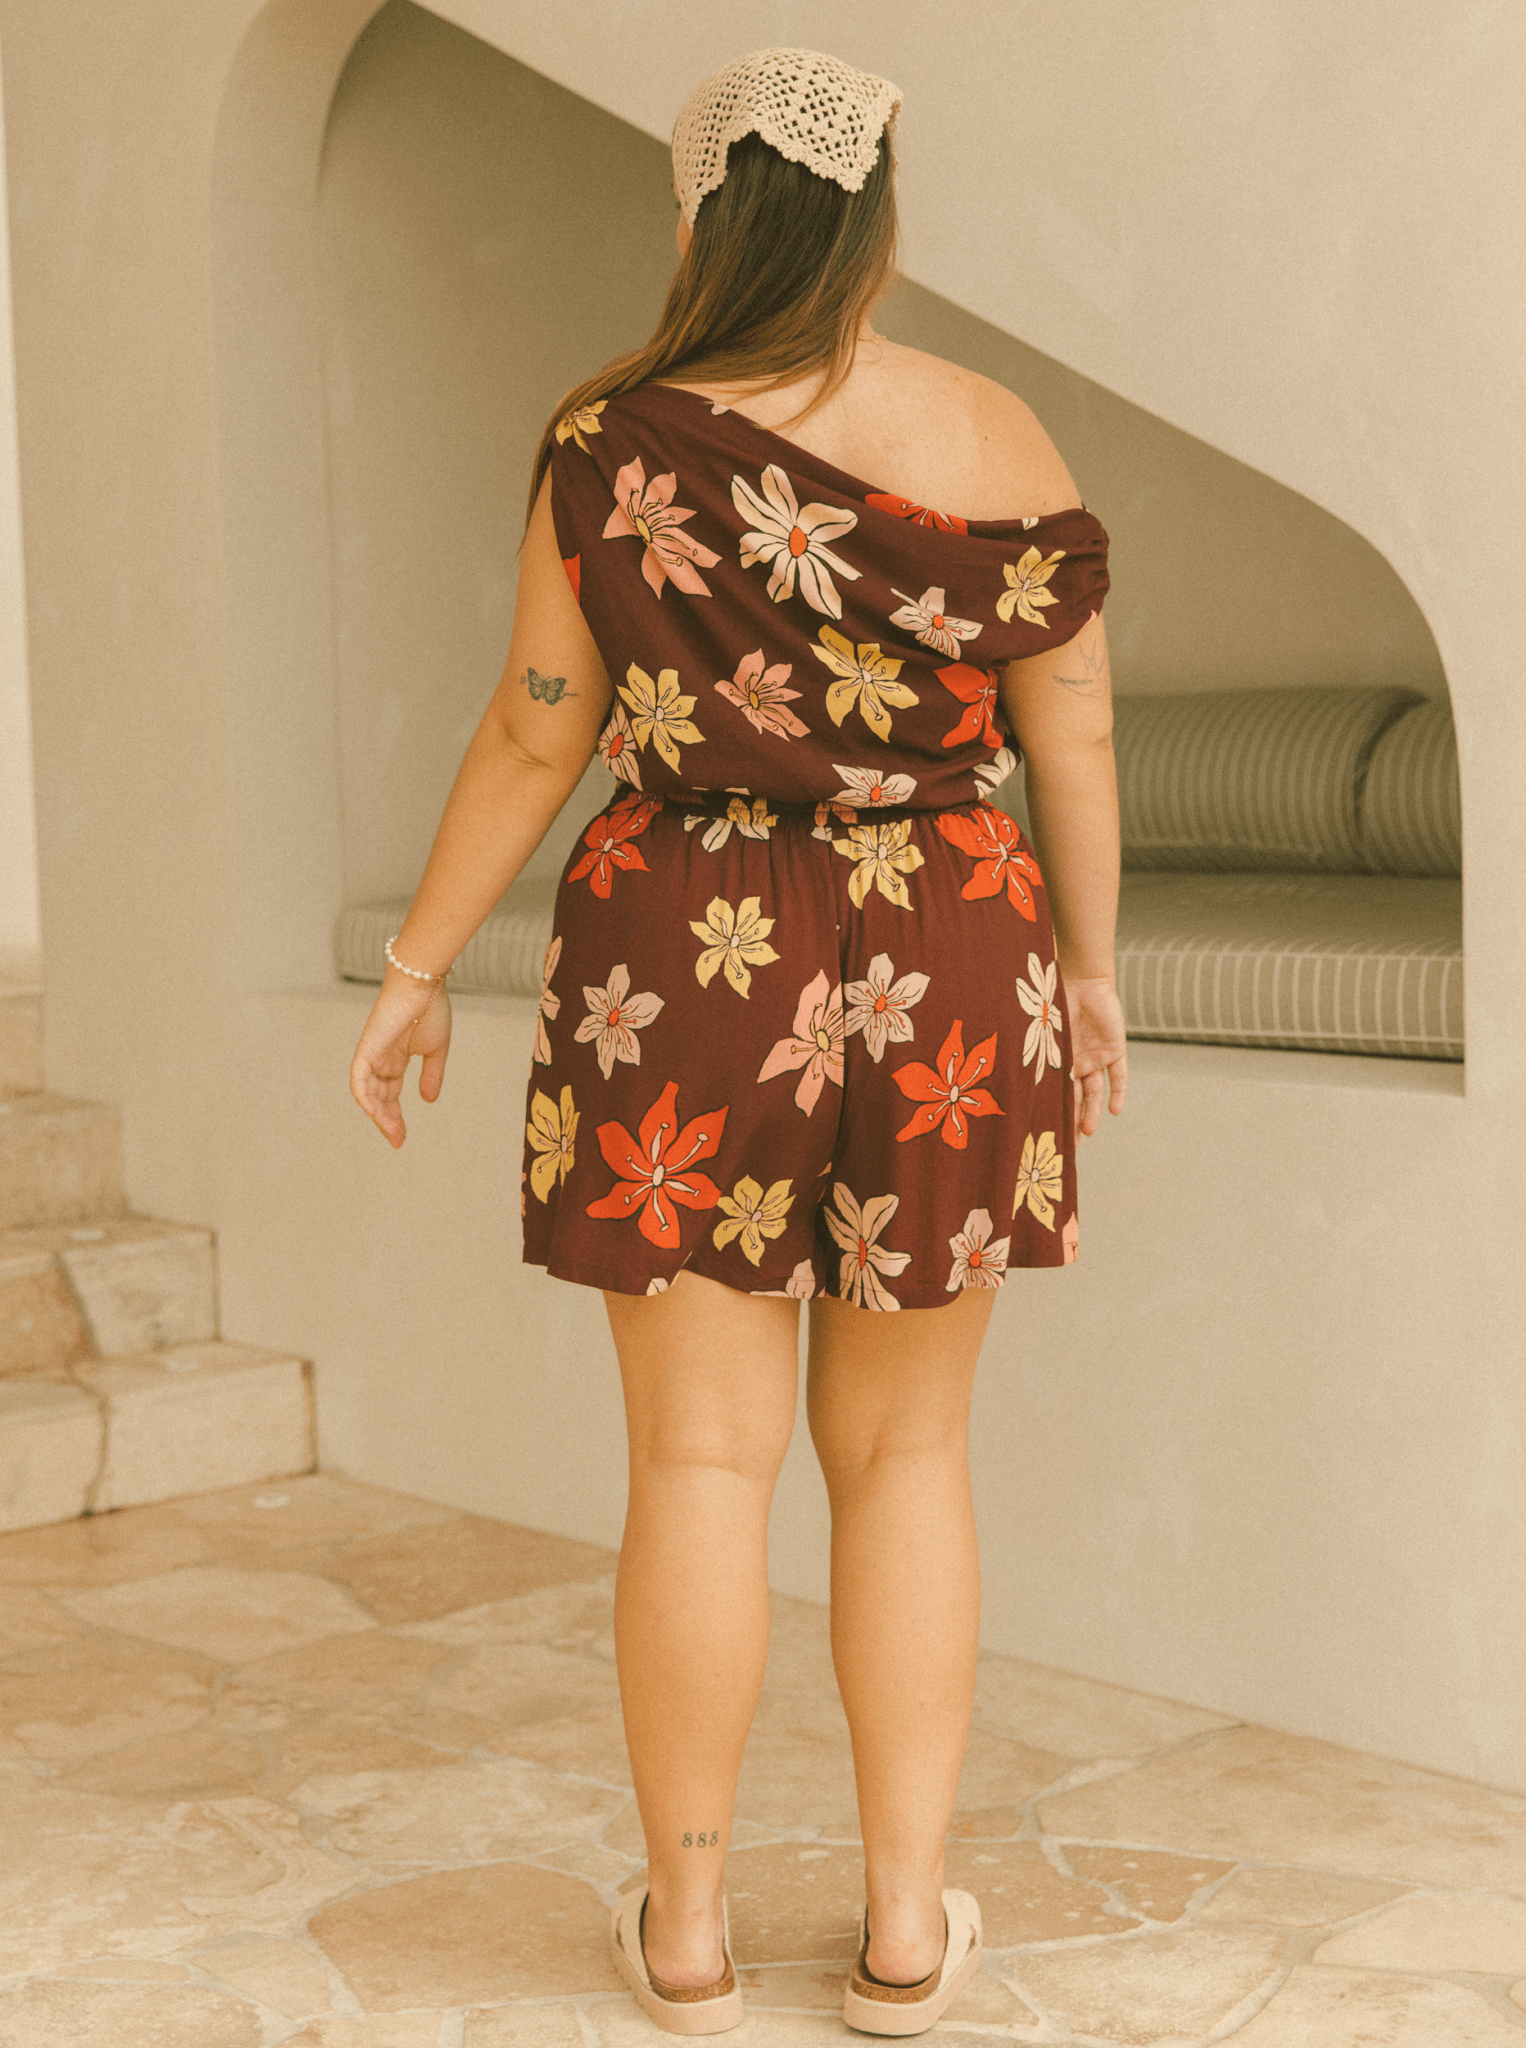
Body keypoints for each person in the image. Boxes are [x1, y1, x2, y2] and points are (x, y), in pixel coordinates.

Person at [350, 45, 1128, 2037]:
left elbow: (534, 726)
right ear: (877, 220)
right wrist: (1092, 973)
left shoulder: (610, 442)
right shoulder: (994, 429)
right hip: (953, 945)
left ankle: (688, 1936)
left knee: (697, 1460)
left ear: (700, 216)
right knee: (908, 1453)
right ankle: (900, 1931)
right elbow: (1075, 734)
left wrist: (419, 963)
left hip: (684, 952)